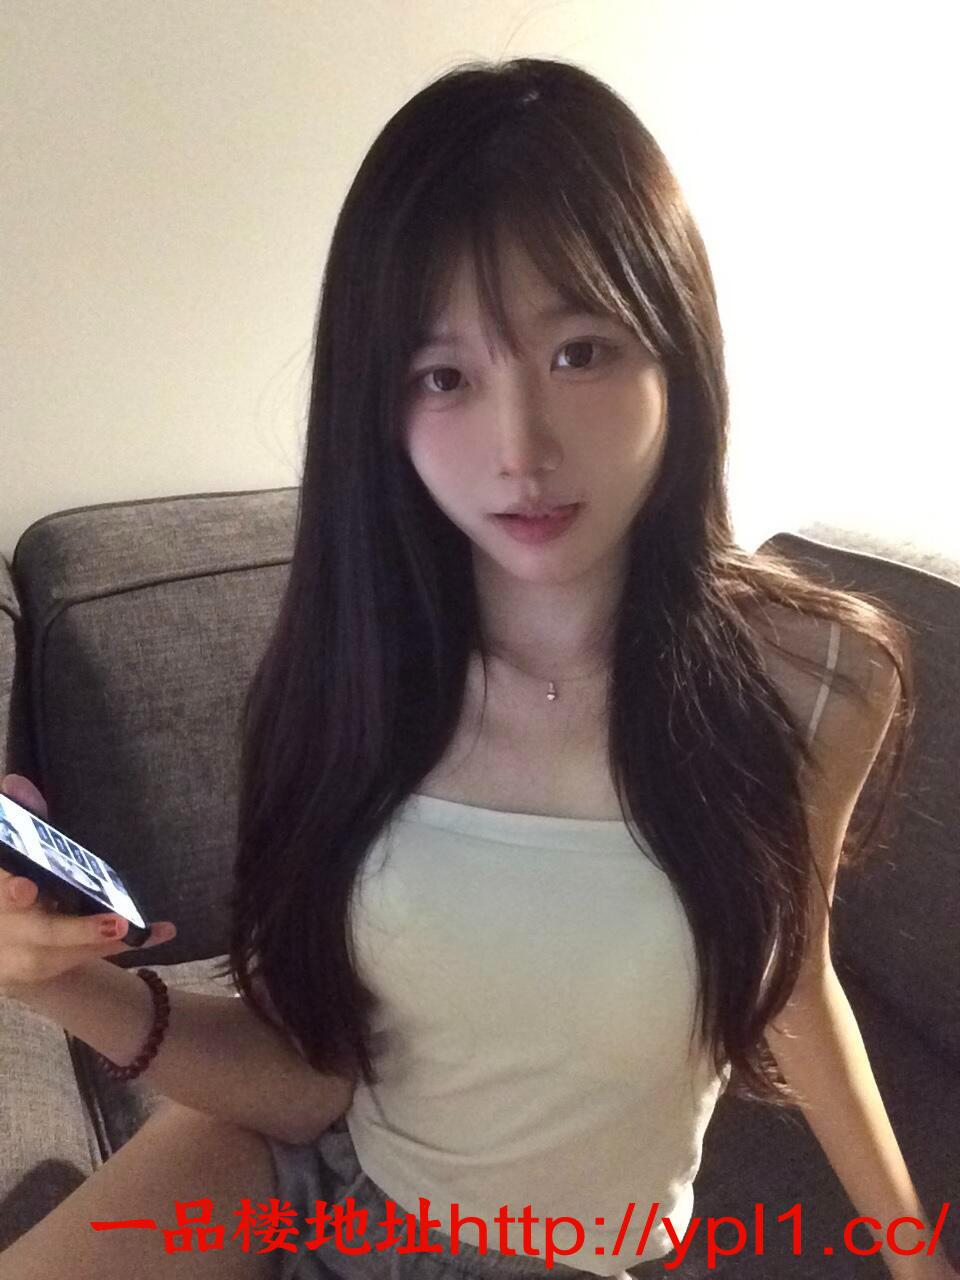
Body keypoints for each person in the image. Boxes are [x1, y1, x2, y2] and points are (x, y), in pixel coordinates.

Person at [1, 56, 953, 1280]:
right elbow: (309, 1082)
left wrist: (914, 1249)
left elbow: (791, 968)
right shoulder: (352, 669)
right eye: (445, 376)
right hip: (295, 1175)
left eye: (581, 351)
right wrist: (56, 980)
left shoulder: (819, 678)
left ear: (677, 350)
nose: (521, 449)